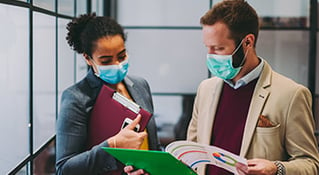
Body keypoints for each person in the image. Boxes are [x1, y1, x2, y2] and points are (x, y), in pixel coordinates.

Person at [187, 1, 319, 175]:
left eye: (218, 48)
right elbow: (192, 153)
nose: (210, 56)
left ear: (248, 42)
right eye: (207, 48)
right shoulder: (205, 89)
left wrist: (276, 169)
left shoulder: (291, 94)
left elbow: (310, 164)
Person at [56, 13, 160, 175]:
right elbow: (64, 169)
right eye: (106, 61)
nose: (117, 65)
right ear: (88, 59)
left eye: (121, 56)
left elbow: (152, 144)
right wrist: (113, 145)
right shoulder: (76, 98)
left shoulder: (140, 85)